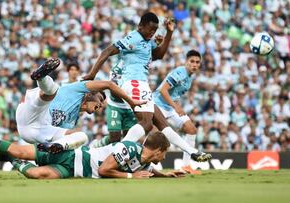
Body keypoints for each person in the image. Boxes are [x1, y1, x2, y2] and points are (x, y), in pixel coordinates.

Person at [83, 12, 211, 162]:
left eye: (154, 30)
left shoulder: (146, 40)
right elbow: (107, 51)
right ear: (140, 26)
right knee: (146, 124)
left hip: (142, 84)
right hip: (133, 82)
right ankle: (114, 156)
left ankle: (191, 151)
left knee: (161, 122)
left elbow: (159, 55)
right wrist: (92, 74)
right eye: (149, 29)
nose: (152, 33)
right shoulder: (134, 38)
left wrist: (169, 32)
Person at [16, 58, 145, 153]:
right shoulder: (78, 88)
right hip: (32, 115)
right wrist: (131, 102)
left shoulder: (74, 119)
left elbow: (61, 133)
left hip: (36, 132)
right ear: (91, 93)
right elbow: (109, 85)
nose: (101, 105)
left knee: (82, 136)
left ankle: (54, 148)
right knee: (52, 91)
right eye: (100, 99)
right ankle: (41, 77)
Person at [0, 131, 185, 179]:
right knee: (18, 148)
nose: (164, 158)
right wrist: (132, 179)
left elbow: (141, 169)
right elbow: (104, 170)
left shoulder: (141, 159)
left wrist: (165, 174)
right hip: (70, 157)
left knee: (38, 175)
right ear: (158, 149)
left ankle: (11, 161)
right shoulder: (129, 147)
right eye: (164, 155)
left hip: (72, 172)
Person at [153, 50, 202, 174]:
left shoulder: (189, 78)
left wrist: (175, 106)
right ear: (186, 62)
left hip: (169, 108)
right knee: (153, 136)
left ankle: (186, 166)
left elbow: (173, 94)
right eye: (192, 61)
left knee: (191, 129)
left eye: (197, 62)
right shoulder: (180, 73)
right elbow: (163, 90)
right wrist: (176, 107)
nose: (194, 64)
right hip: (157, 106)